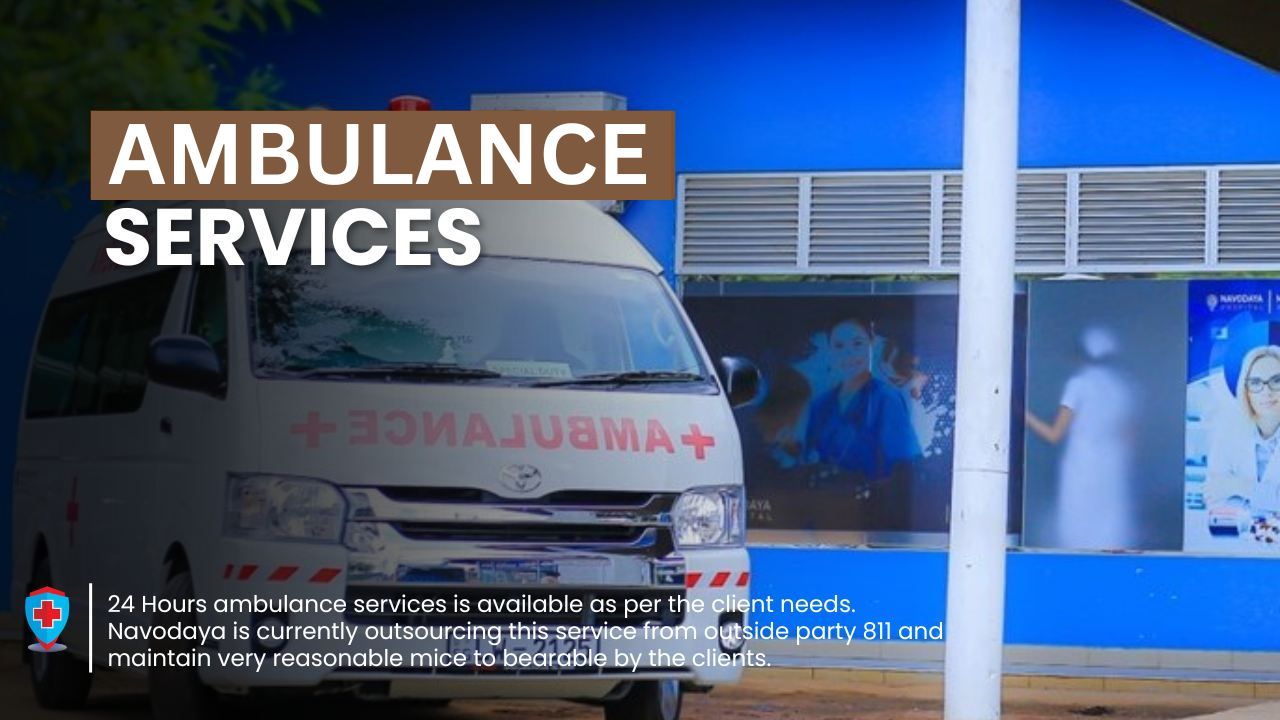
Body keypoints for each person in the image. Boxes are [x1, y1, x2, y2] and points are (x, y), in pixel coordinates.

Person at [1025, 326, 1137, 550]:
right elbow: (1130, 440)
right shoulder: (1123, 388)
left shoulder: (1078, 384)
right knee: (1109, 532)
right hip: (1113, 468)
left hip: (1082, 467)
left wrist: (1022, 415)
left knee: (1079, 531)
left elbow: (1054, 434)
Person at [804, 318, 922, 480]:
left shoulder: (886, 399)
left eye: (857, 344)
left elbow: (905, 468)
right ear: (830, 349)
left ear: (871, 343)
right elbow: (810, 462)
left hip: (875, 494)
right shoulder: (819, 405)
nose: (848, 354)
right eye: (839, 346)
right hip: (825, 494)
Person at [1205, 345, 1280, 516]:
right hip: (1237, 532)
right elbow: (1214, 494)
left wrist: (1239, 486)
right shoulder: (1227, 433)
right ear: (1245, 390)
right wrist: (1271, 497)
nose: (1266, 391)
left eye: (1277, 381)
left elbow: (1228, 490)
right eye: (1255, 383)